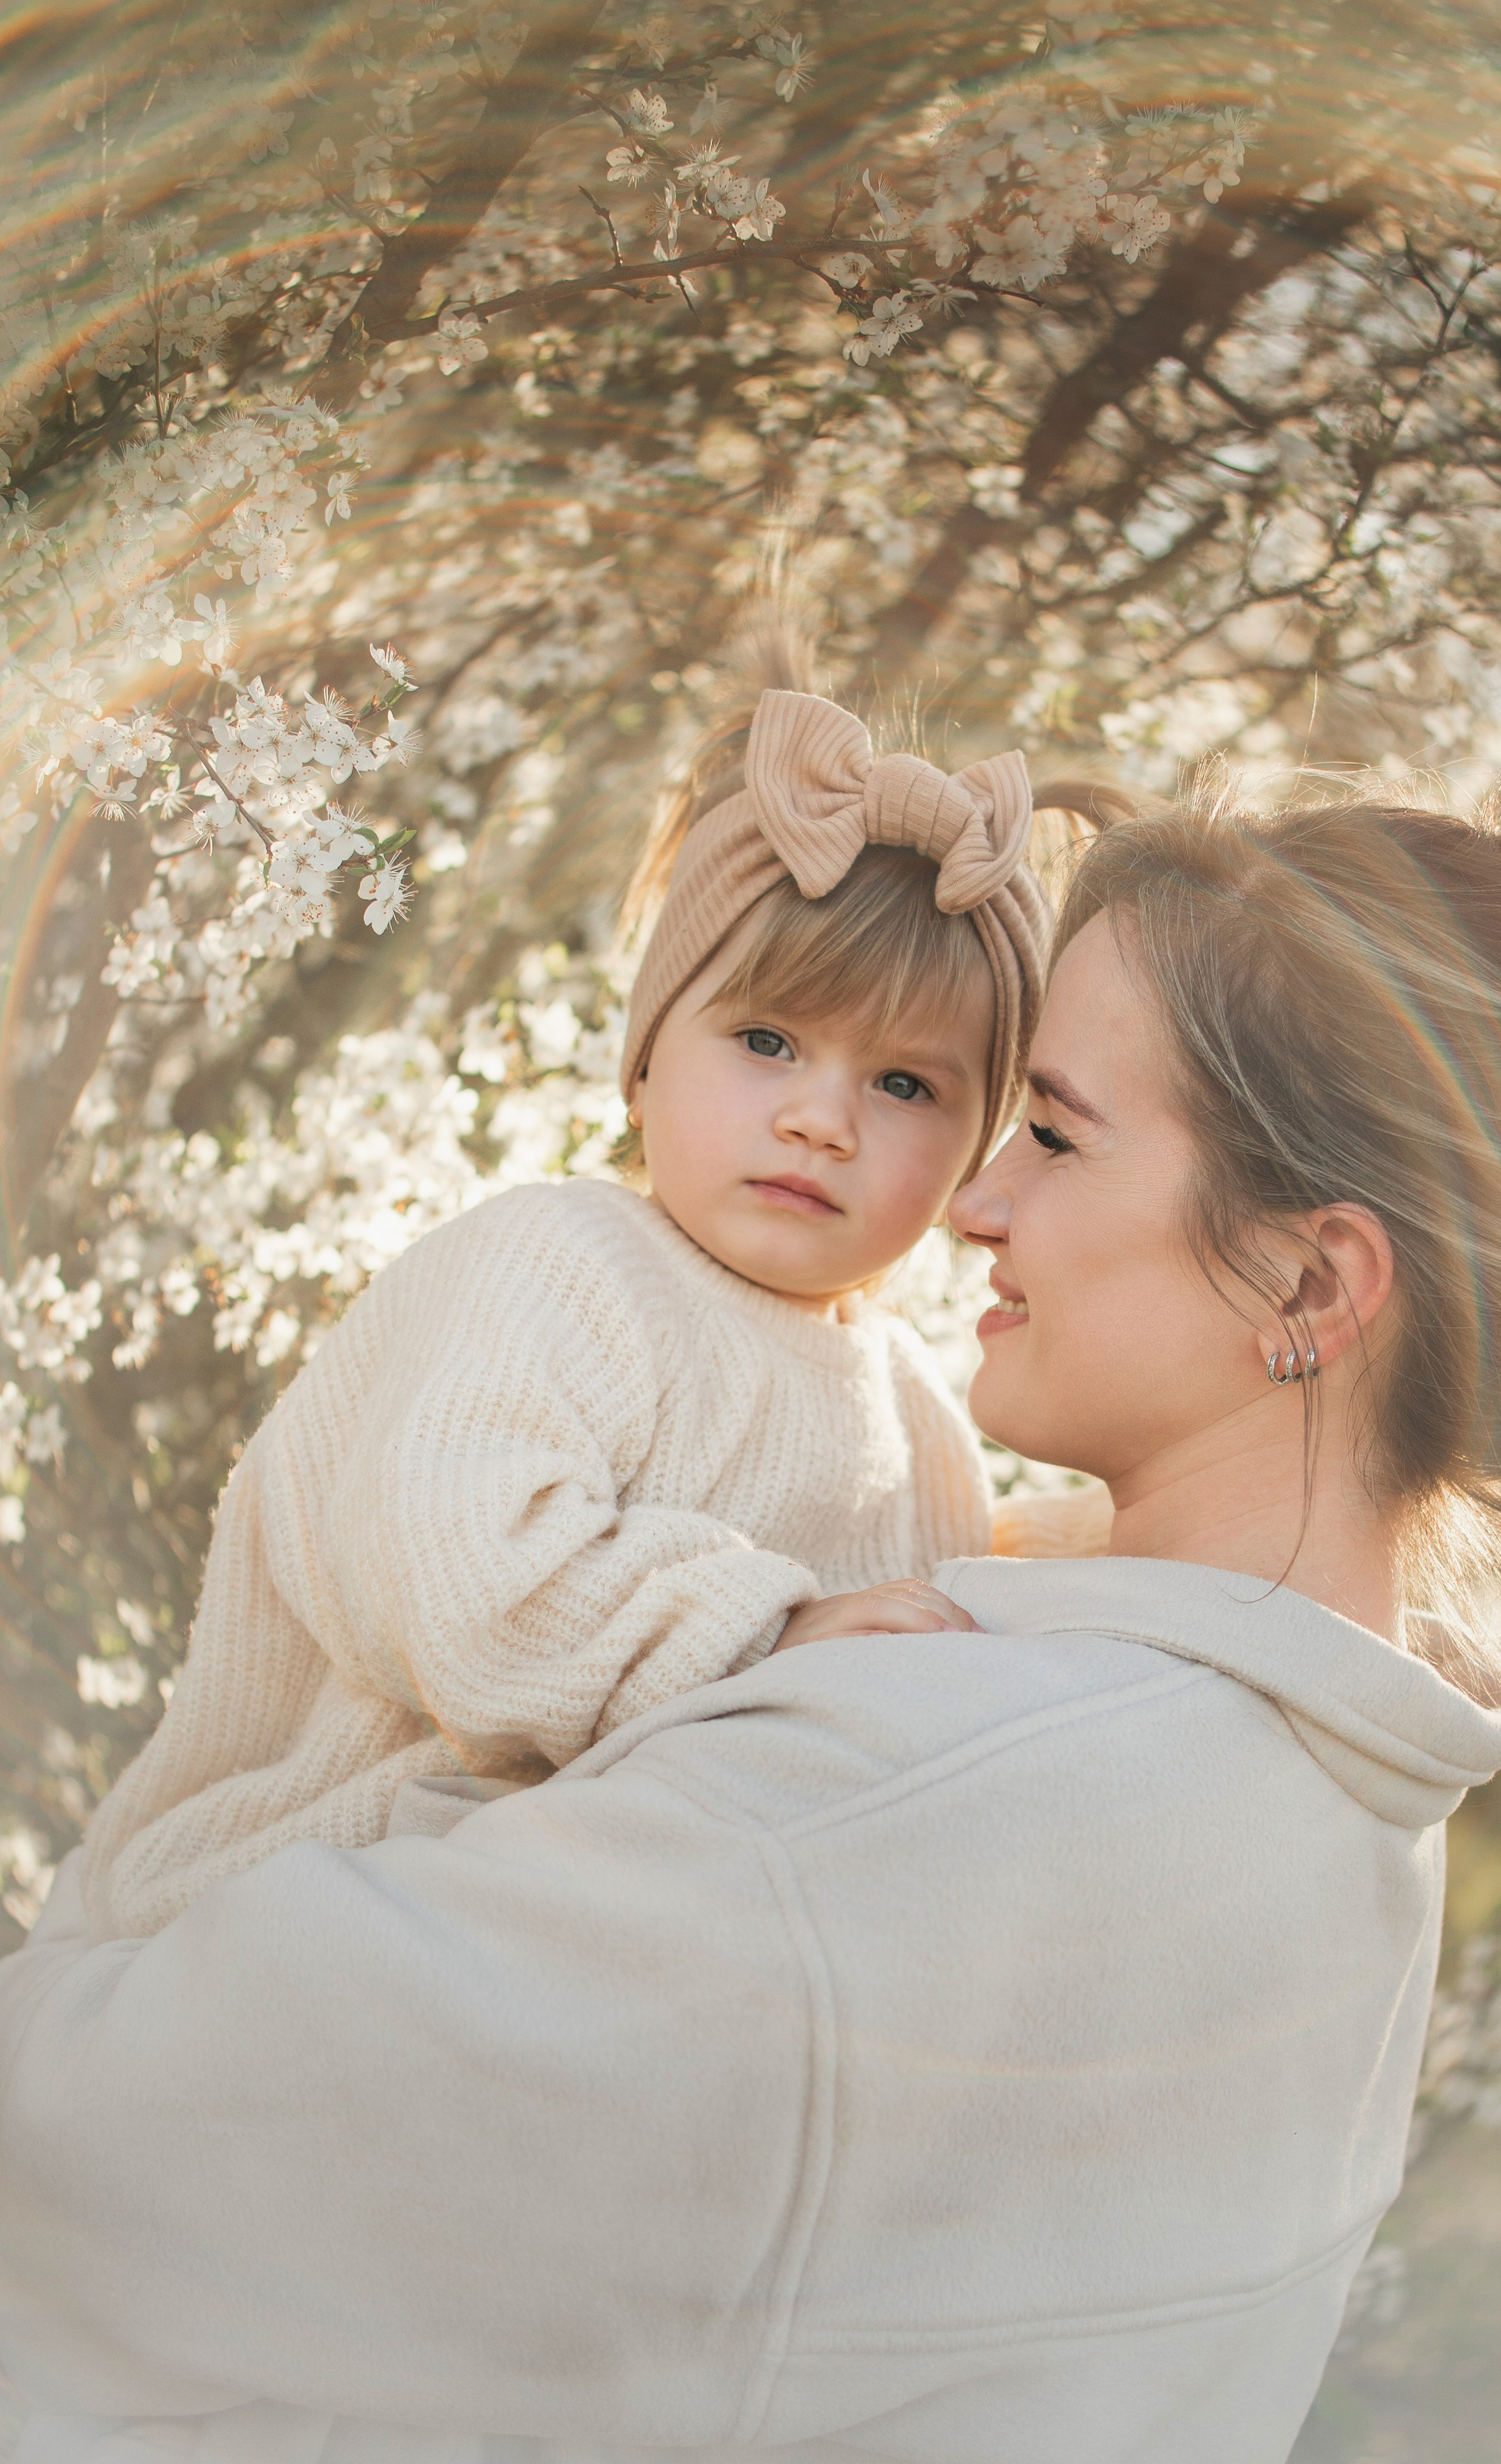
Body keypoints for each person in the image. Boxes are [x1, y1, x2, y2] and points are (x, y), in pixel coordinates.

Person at [3, 783, 1501, 2464]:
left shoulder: (888, 1806)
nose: (975, 1201)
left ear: (1307, 1283)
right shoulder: (1342, 1826)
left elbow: (77, 2168)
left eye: (1053, 1131)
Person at [76, 682, 1050, 1940]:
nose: (823, 1117)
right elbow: (458, 1575)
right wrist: (769, 1630)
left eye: (907, 1082)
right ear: (646, 1061)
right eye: (766, 1041)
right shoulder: (560, 1263)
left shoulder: (916, 1422)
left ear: (977, 1153)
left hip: (609, 1938)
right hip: (304, 1885)